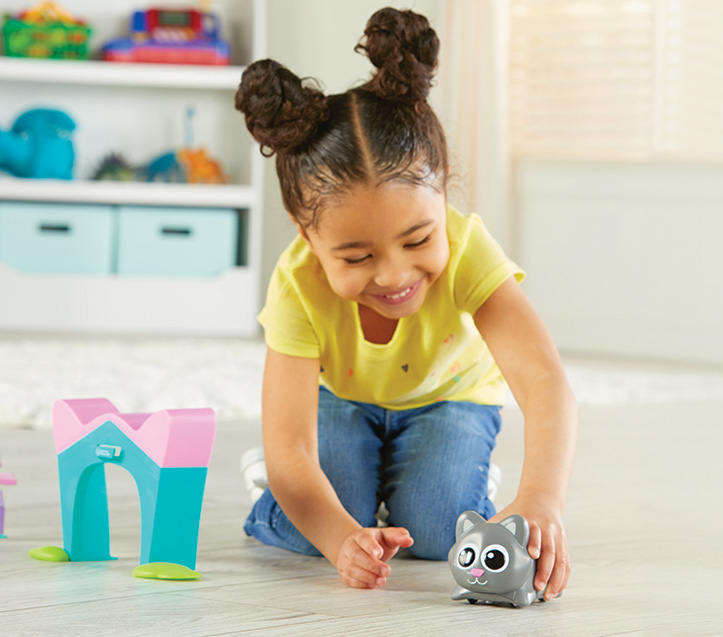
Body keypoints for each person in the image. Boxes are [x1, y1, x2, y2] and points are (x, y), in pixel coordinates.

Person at [234, 7, 576, 599]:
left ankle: (454, 477)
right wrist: (342, 539)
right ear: (304, 232)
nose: (394, 274)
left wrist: (540, 498)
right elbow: (290, 448)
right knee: (308, 522)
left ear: (443, 190)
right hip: (341, 401)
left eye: (418, 239)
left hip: (449, 400)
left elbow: (545, 382)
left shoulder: (469, 249)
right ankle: (284, 502)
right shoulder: (296, 282)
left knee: (442, 532)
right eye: (356, 257)